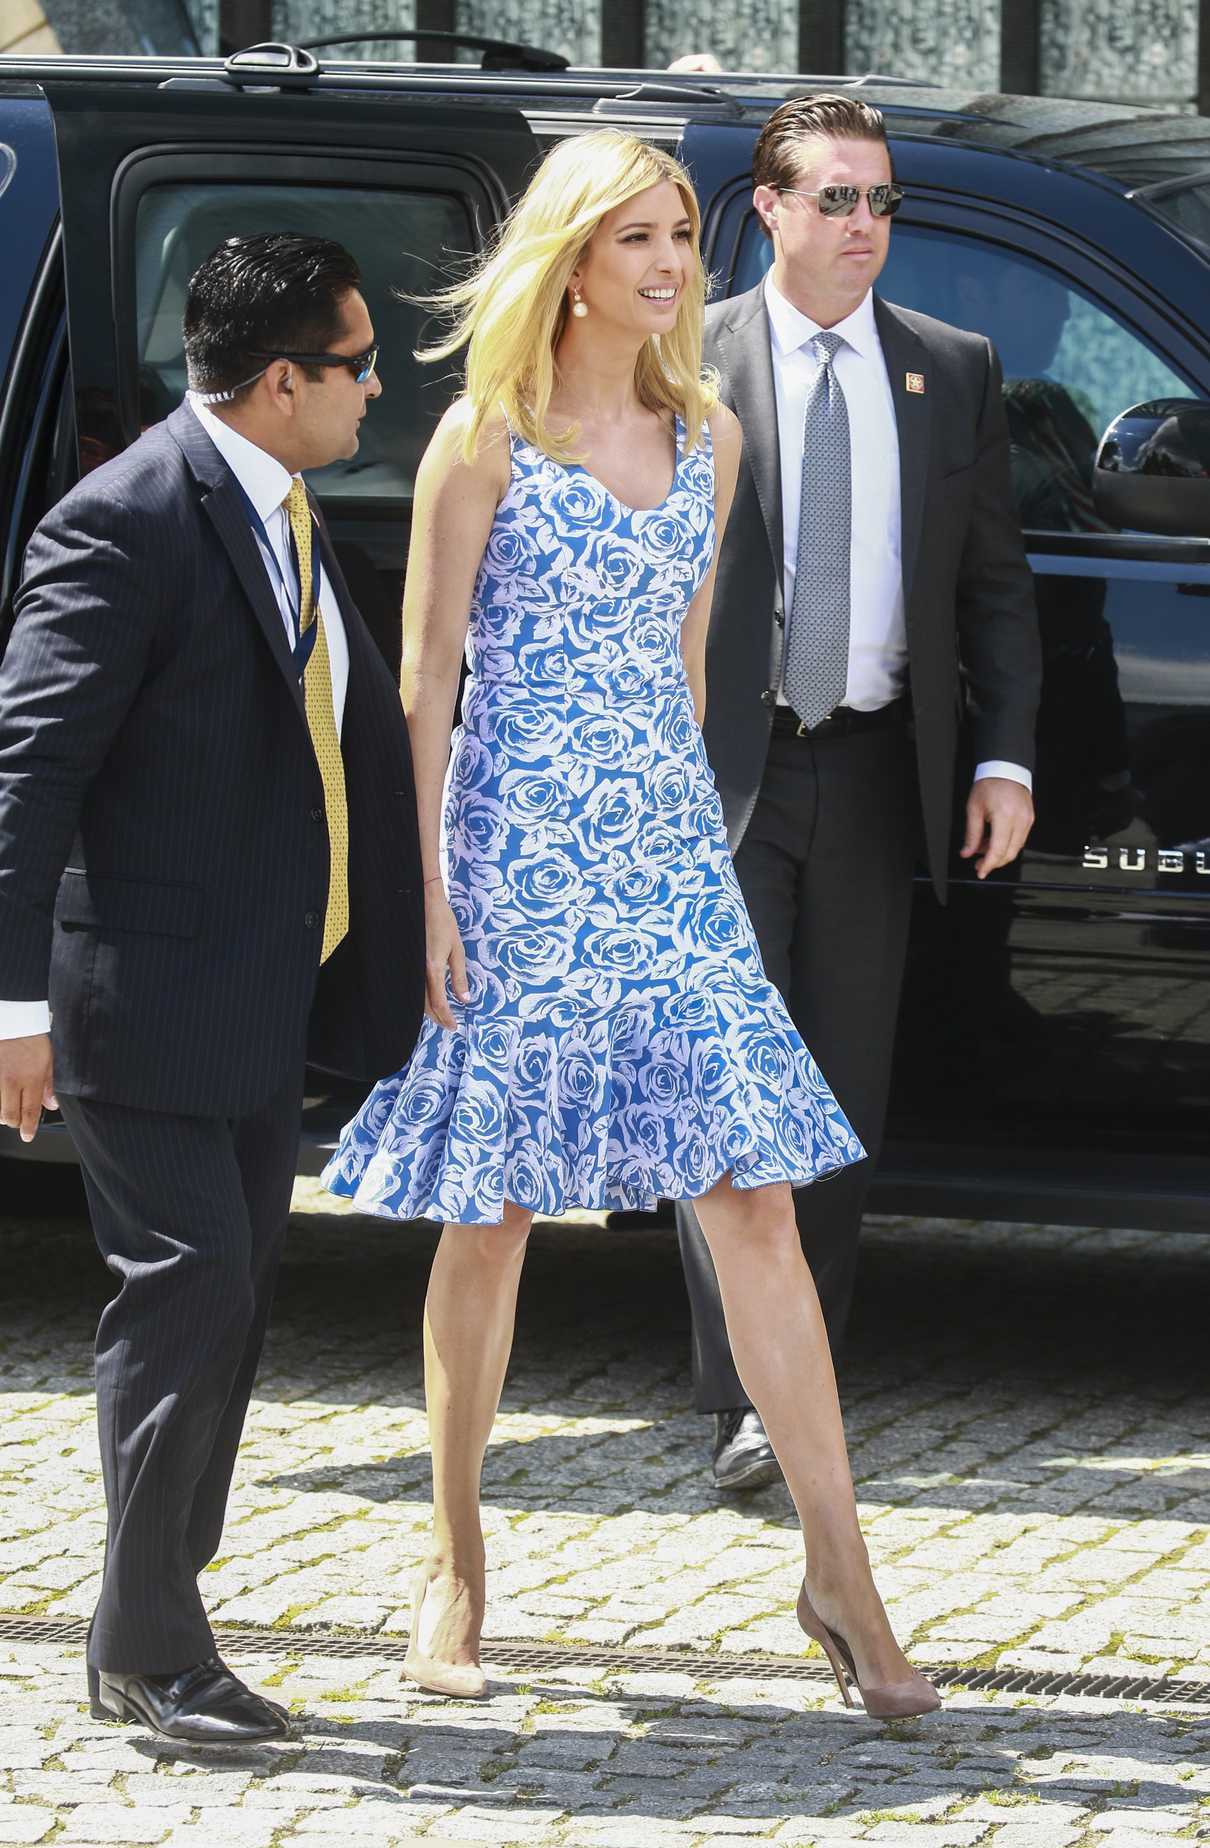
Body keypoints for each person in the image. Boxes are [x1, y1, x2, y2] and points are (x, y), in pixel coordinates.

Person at [323, 129, 939, 1721]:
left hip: (668, 862)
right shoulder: (482, 437)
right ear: (571, 261)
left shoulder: (712, 432)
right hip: (513, 862)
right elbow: (424, 679)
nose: (671, 266)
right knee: (495, 1214)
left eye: (679, 235)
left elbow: (680, 673)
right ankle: (454, 1559)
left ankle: (840, 1571)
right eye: (636, 241)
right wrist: (429, 899)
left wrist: (692, 860)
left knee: (755, 1207)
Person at [0, 234, 425, 1743]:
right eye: (361, 363)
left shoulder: (291, 512)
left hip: (253, 996)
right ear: (282, 379)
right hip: (138, 1002)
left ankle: (150, 1616)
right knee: (190, 1291)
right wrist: (12, 1012)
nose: (381, 387)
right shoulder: (120, 525)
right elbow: (26, 780)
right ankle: (150, 1644)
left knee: (226, 1307)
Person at [676, 95, 1042, 1493]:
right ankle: (741, 1403)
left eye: (880, 203)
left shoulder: (949, 369)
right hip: (725, 773)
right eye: (834, 199)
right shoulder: (685, 357)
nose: (861, 228)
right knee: (727, 1093)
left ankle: (801, 1370)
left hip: (877, 769)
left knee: (836, 1095)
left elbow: (992, 587)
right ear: (766, 209)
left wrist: (1002, 756)